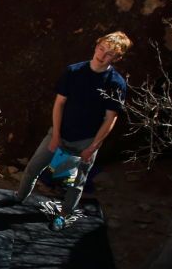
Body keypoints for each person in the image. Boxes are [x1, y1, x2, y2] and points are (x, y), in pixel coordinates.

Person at [15, 32, 131, 231]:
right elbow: (59, 103)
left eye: (110, 54)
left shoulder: (115, 83)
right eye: (101, 48)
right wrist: (56, 135)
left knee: (76, 182)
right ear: (96, 46)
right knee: (34, 167)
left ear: (117, 58)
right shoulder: (74, 71)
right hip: (60, 131)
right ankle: (19, 198)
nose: (102, 55)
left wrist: (93, 146)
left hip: (86, 140)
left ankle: (64, 214)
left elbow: (110, 118)